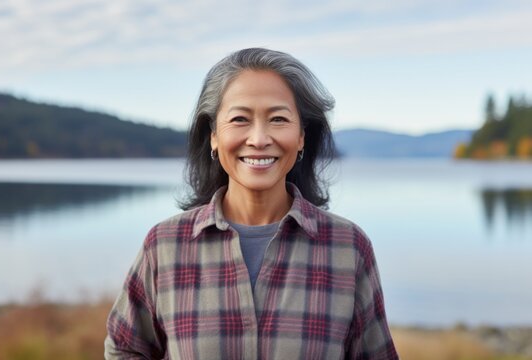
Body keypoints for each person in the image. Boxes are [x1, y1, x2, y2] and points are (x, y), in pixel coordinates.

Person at [105, 48, 398, 359]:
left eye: (278, 119)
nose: (259, 138)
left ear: (301, 137)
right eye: (240, 119)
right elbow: (125, 348)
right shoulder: (164, 246)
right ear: (214, 136)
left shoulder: (348, 248)